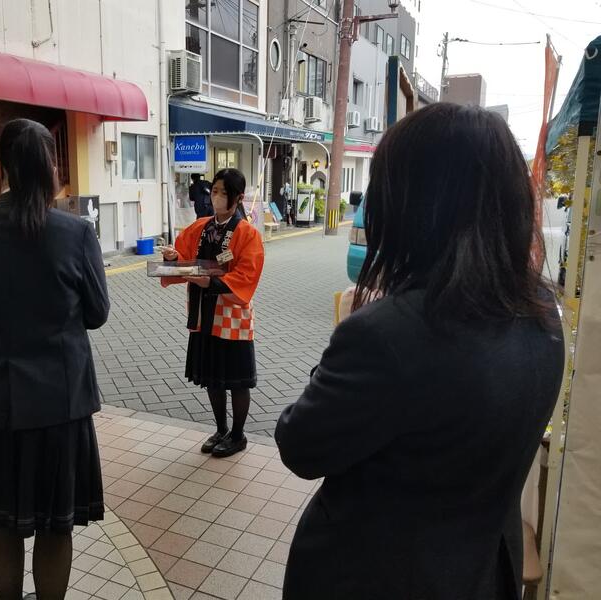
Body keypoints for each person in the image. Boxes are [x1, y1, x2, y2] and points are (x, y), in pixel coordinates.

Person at [275, 103, 565, 600]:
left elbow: (300, 445)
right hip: (484, 571)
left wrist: (349, 333)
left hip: (371, 576)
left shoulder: (390, 333)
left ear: (417, 204)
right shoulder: (542, 312)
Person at [0, 118, 108, 600]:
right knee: (55, 524)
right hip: (59, 404)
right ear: (50, 168)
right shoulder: (76, 233)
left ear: (1, 166)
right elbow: (97, 313)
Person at [161, 168, 264, 457]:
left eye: (223, 193)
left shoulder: (247, 233)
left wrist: (213, 282)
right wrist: (174, 258)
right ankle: (221, 429)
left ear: (239, 198)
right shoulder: (201, 227)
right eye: (214, 191)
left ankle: (238, 435)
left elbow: (247, 273)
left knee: (237, 380)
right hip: (203, 313)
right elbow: (185, 256)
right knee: (212, 377)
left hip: (232, 314)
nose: (216, 197)